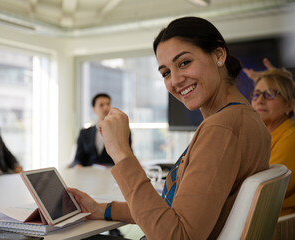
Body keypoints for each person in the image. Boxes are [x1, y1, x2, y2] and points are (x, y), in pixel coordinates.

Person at [67, 16, 270, 240]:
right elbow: (173, 213)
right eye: (165, 73)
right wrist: (101, 209)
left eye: (184, 63)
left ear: (218, 55)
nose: (175, 80)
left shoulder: (220, 128)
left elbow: (179, 235)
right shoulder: (246, 118)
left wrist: (121, 153)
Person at [250, 69, 295, 216]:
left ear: (289, 105)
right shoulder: (259, 138)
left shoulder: (291, 139)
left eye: (270, 94)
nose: (260, 100)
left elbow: (266, 190)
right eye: (256, 94)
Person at [70, 93, 132, 168]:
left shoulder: (121, 131)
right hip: (89, 174)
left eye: (108, 104)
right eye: (101, 105)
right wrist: (78, 166)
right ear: (94, 109)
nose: (106, 108)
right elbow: (78, 159)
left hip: (113, 173)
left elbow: (128, 156)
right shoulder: (84, 133)